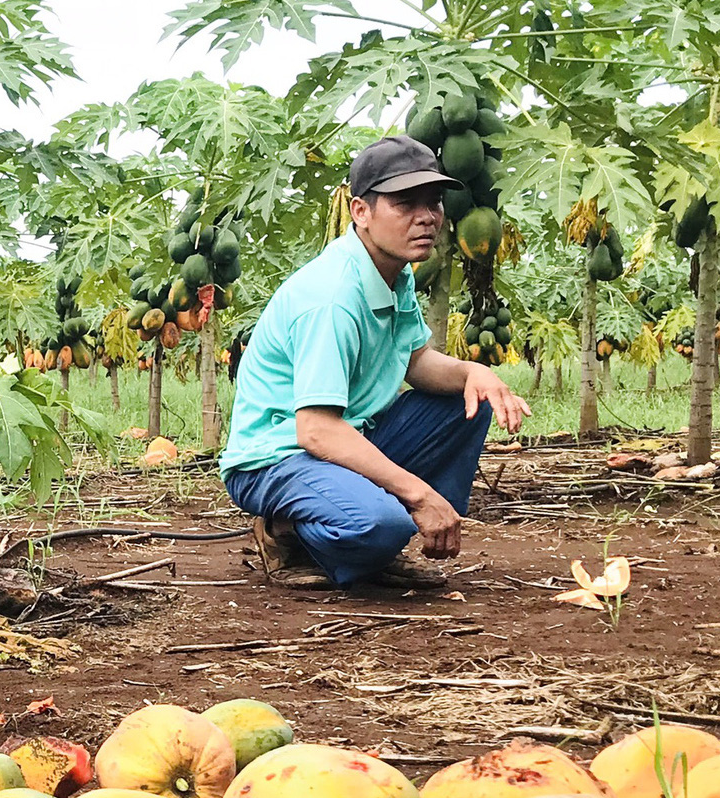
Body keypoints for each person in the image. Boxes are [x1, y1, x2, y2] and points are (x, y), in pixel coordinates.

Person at [220, 136, 530, 590]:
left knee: (468, 402)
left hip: (346, 437)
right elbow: (315, 430)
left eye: (434, 202)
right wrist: (420, 495)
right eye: (405, 203)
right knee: (381, 526)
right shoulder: (331, 299)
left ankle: (362, 531)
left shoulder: (392, 270)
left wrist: (473, 373)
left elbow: (416, 360)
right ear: (361, 211)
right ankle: (288, 532)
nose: (427, 217)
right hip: (277, 458)